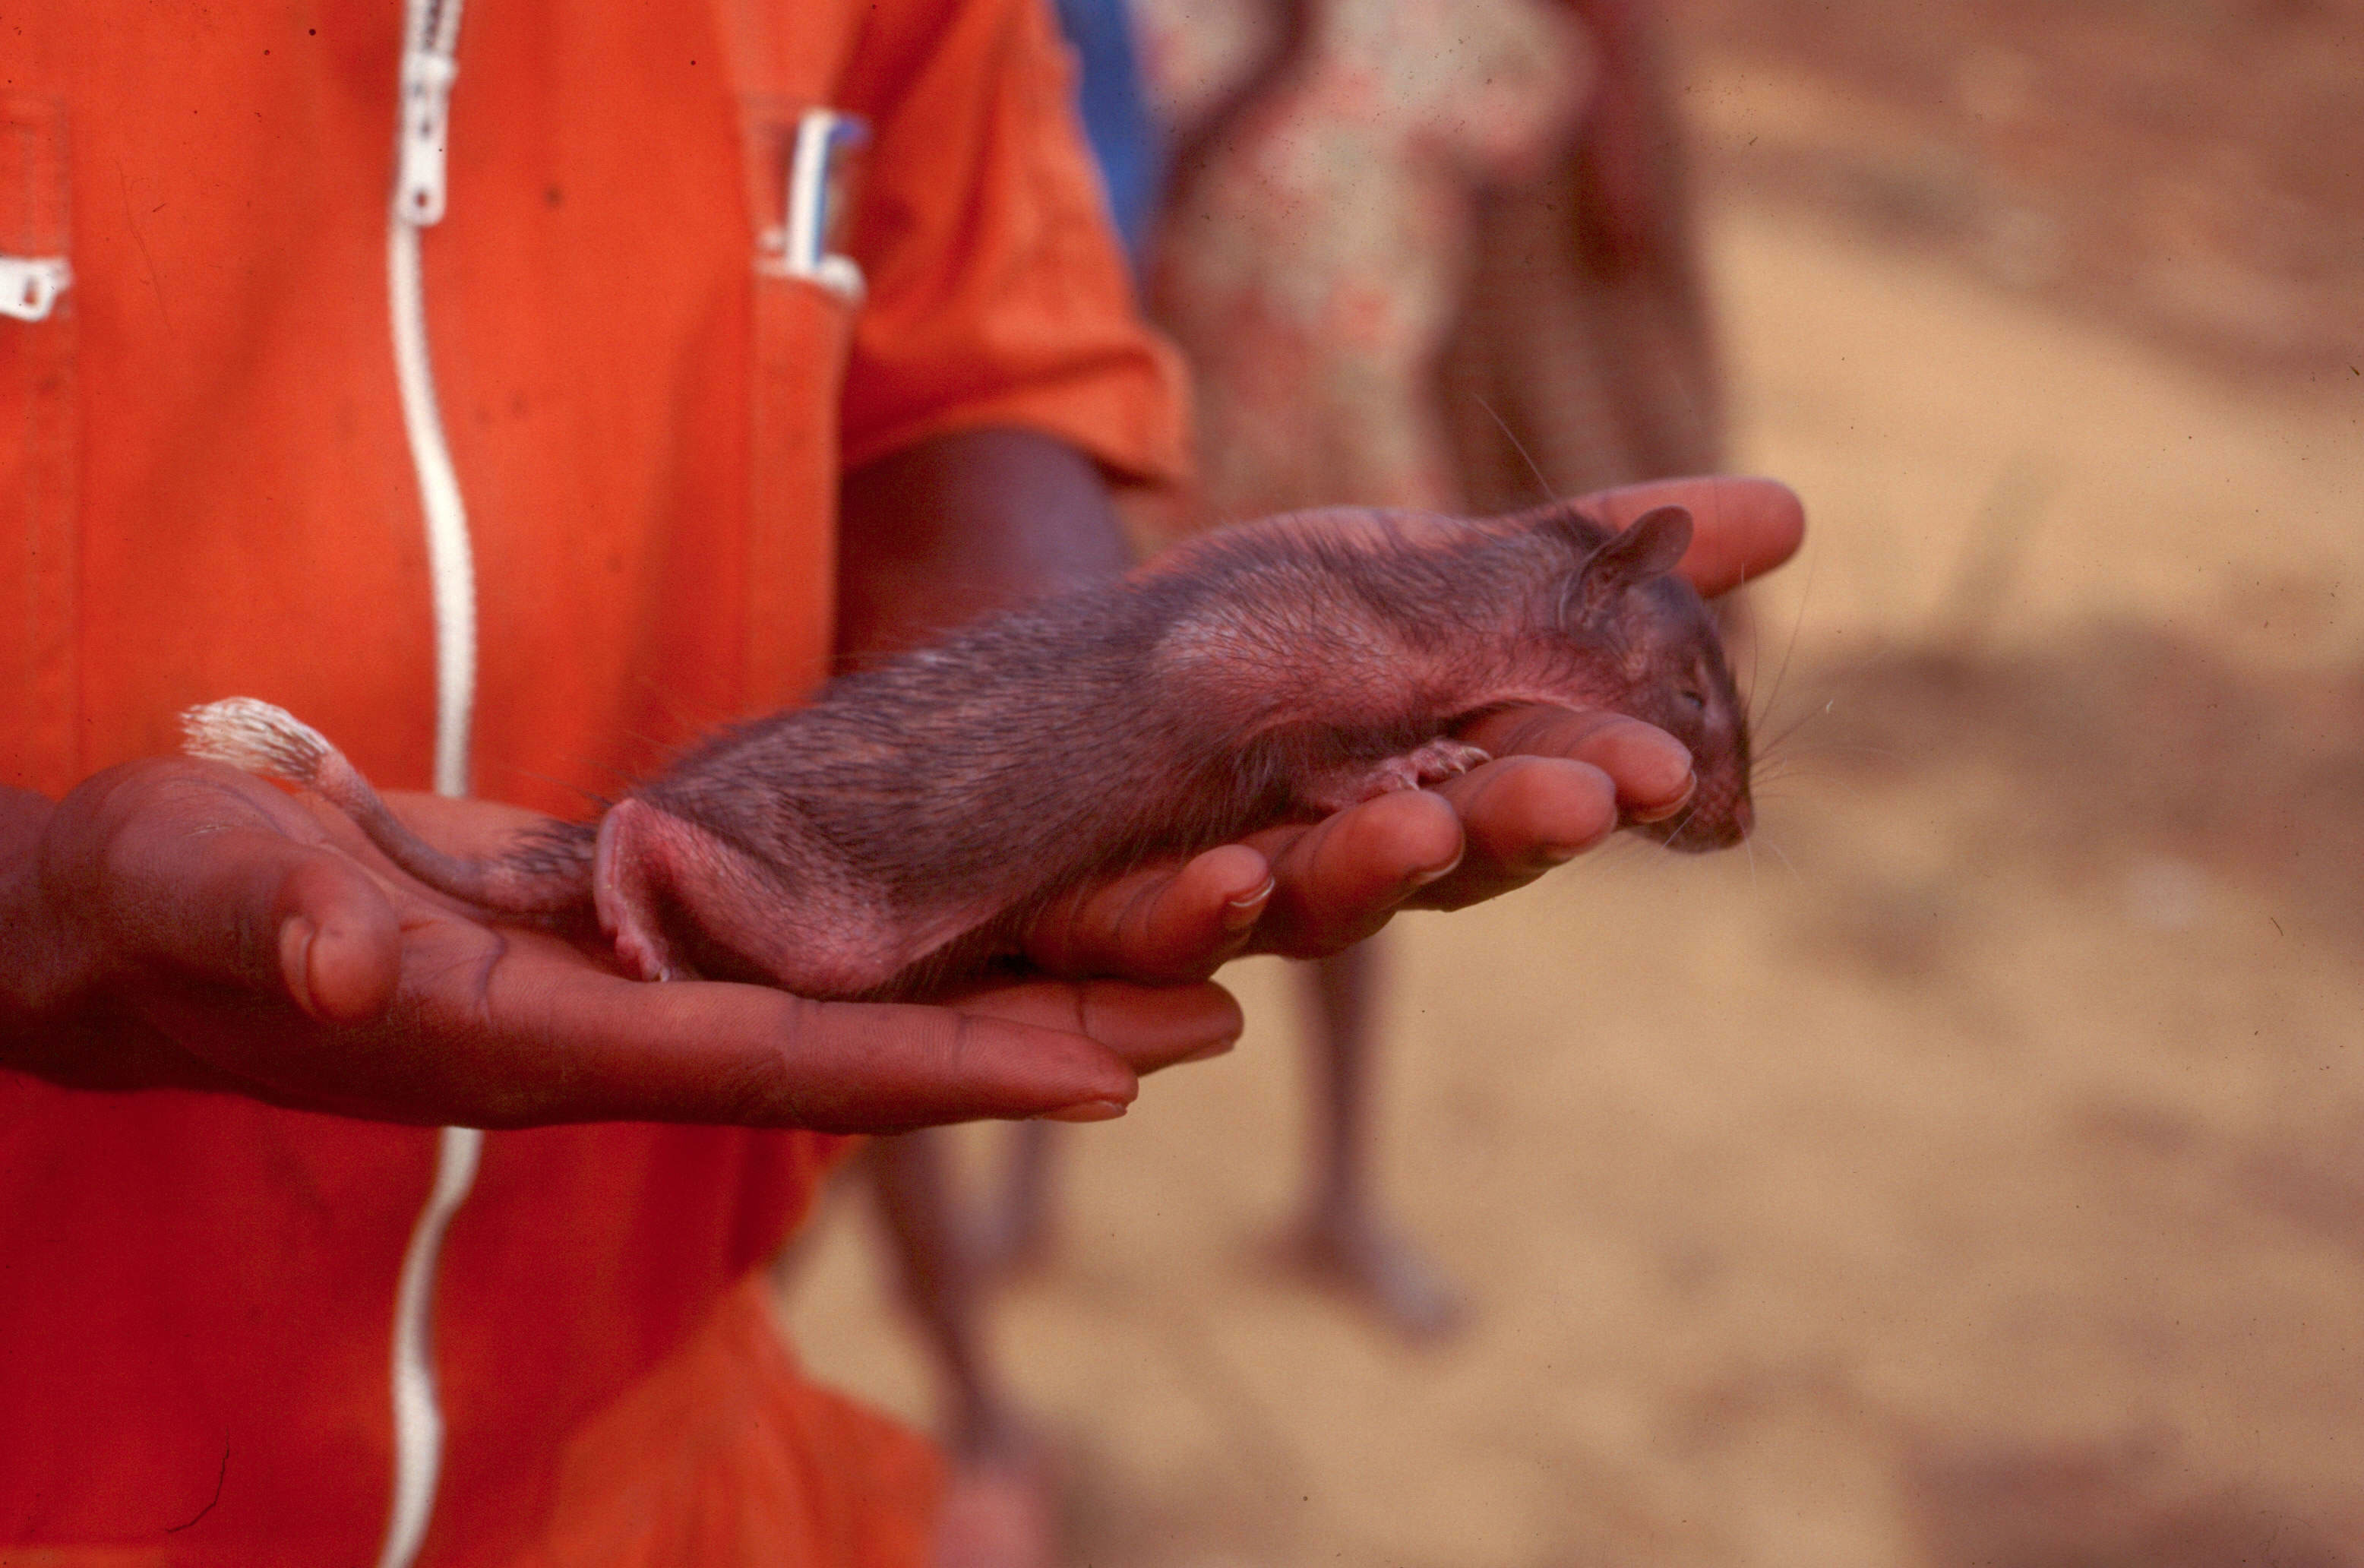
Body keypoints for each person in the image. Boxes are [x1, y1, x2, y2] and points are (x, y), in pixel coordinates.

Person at [0, 2, 1804, 1564]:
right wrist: (32, 899)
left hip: (647, 1462)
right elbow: (1209, 673)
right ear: (1580, 592)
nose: (1698, 784)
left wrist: (1036, 691)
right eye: (1683, 718)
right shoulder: (1392, 640)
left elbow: (989, 378)